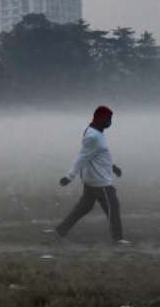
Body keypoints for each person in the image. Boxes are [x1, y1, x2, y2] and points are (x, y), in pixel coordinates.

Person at [55, 105, 128, 244]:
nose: (110, 122)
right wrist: (69, 176)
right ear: (99, 118)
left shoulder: (94, 131)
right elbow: (82, 157)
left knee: (83, 208)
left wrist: (112, 166)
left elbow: (98, 155)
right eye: (108, 119)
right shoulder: (93, 137)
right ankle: (118, 239)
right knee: (113, 208)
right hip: (101, 182)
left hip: (92, 181)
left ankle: (60, 231)